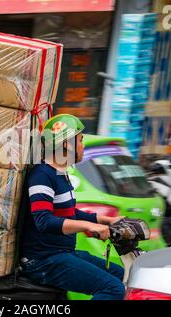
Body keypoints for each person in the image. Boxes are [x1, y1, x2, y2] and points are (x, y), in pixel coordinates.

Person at [19, 114, 126, 300]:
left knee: (120, 274)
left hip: (62, 253)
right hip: (43, 260)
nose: (83, 146)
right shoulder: (42, 175)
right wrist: (88, 226)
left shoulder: (61, 173)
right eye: (81, 140)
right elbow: (43, 220)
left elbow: (69, 213)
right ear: (66, 144)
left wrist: (104, 220)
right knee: (114, 289)